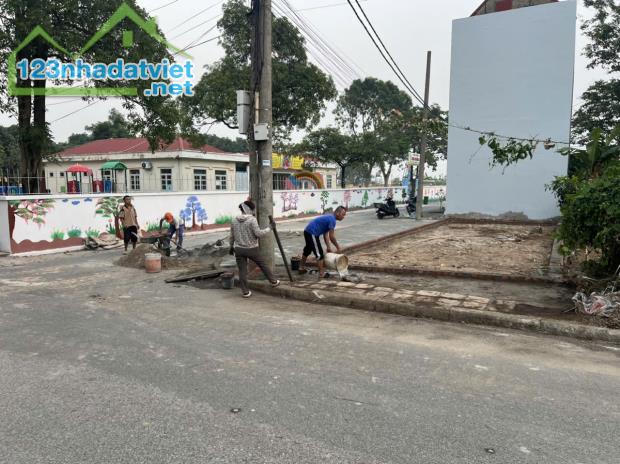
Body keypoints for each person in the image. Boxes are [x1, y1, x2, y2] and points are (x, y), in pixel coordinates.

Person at [229, 200, 280, 298]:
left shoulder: (234, 220)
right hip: (252, 249)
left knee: (242, 270)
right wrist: (270, 228)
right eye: (253, 209)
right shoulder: (252, 220)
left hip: (238, 249)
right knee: (262, 264)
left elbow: (231, 236)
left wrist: (231, 247)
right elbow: (259, 234)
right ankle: (273, 281)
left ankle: (245, 292)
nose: (254, 211)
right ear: (249, 209)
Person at [299, 206, 347, 278]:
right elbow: (332, 237)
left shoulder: (330, 218)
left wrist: (328, 247)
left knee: (308, 249)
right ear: (337, 213)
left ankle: (301, 267)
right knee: (319, 254)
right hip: (312, 232)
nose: (344, 217)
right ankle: (321, 274)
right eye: (343, 214)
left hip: (308, 231)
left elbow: (326, 235)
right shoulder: (332, 220)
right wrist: (338, 247)